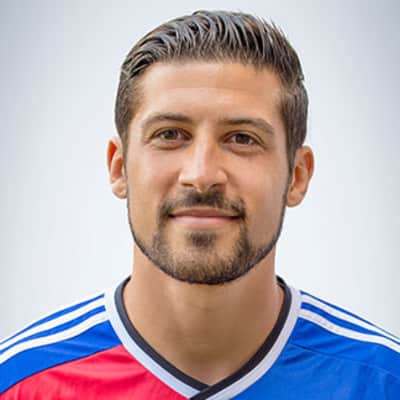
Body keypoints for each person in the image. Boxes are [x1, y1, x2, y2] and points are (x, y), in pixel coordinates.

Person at [1, 9, 399, 399]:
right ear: (119, 167)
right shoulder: (19, 385)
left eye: (242, 138)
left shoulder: (383, 382)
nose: (202, 174)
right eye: (170, 134)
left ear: (297, 175)